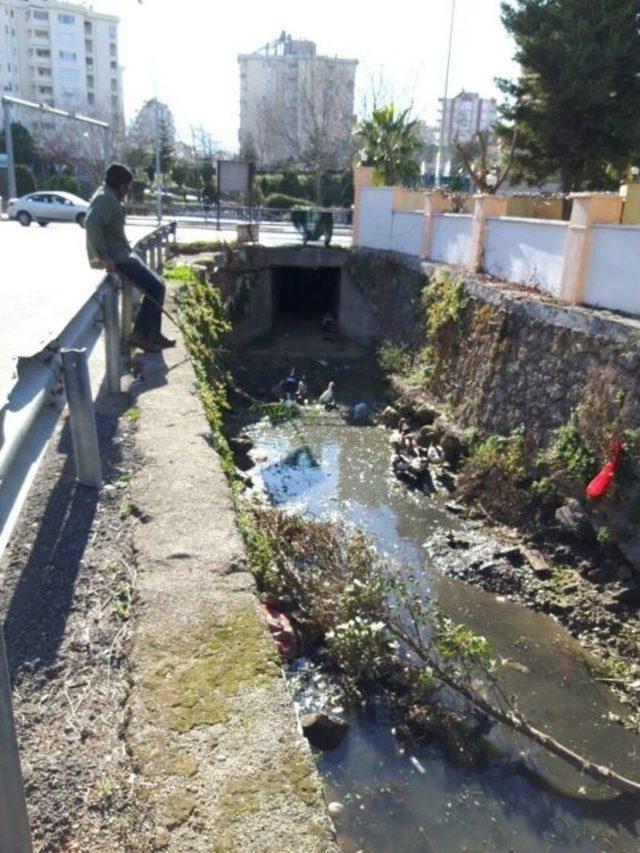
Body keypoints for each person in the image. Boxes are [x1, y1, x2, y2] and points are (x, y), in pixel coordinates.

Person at [85, 162, 174, 352]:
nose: (128, 190)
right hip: (118, 258)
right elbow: (92, 223)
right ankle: (140, 334)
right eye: (127, 185)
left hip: (123, 254)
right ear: (120, 184)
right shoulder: (106, 199)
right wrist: (104, 256)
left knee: (158, 284)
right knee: (155, 286)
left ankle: (152, 332)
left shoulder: (109, 196)